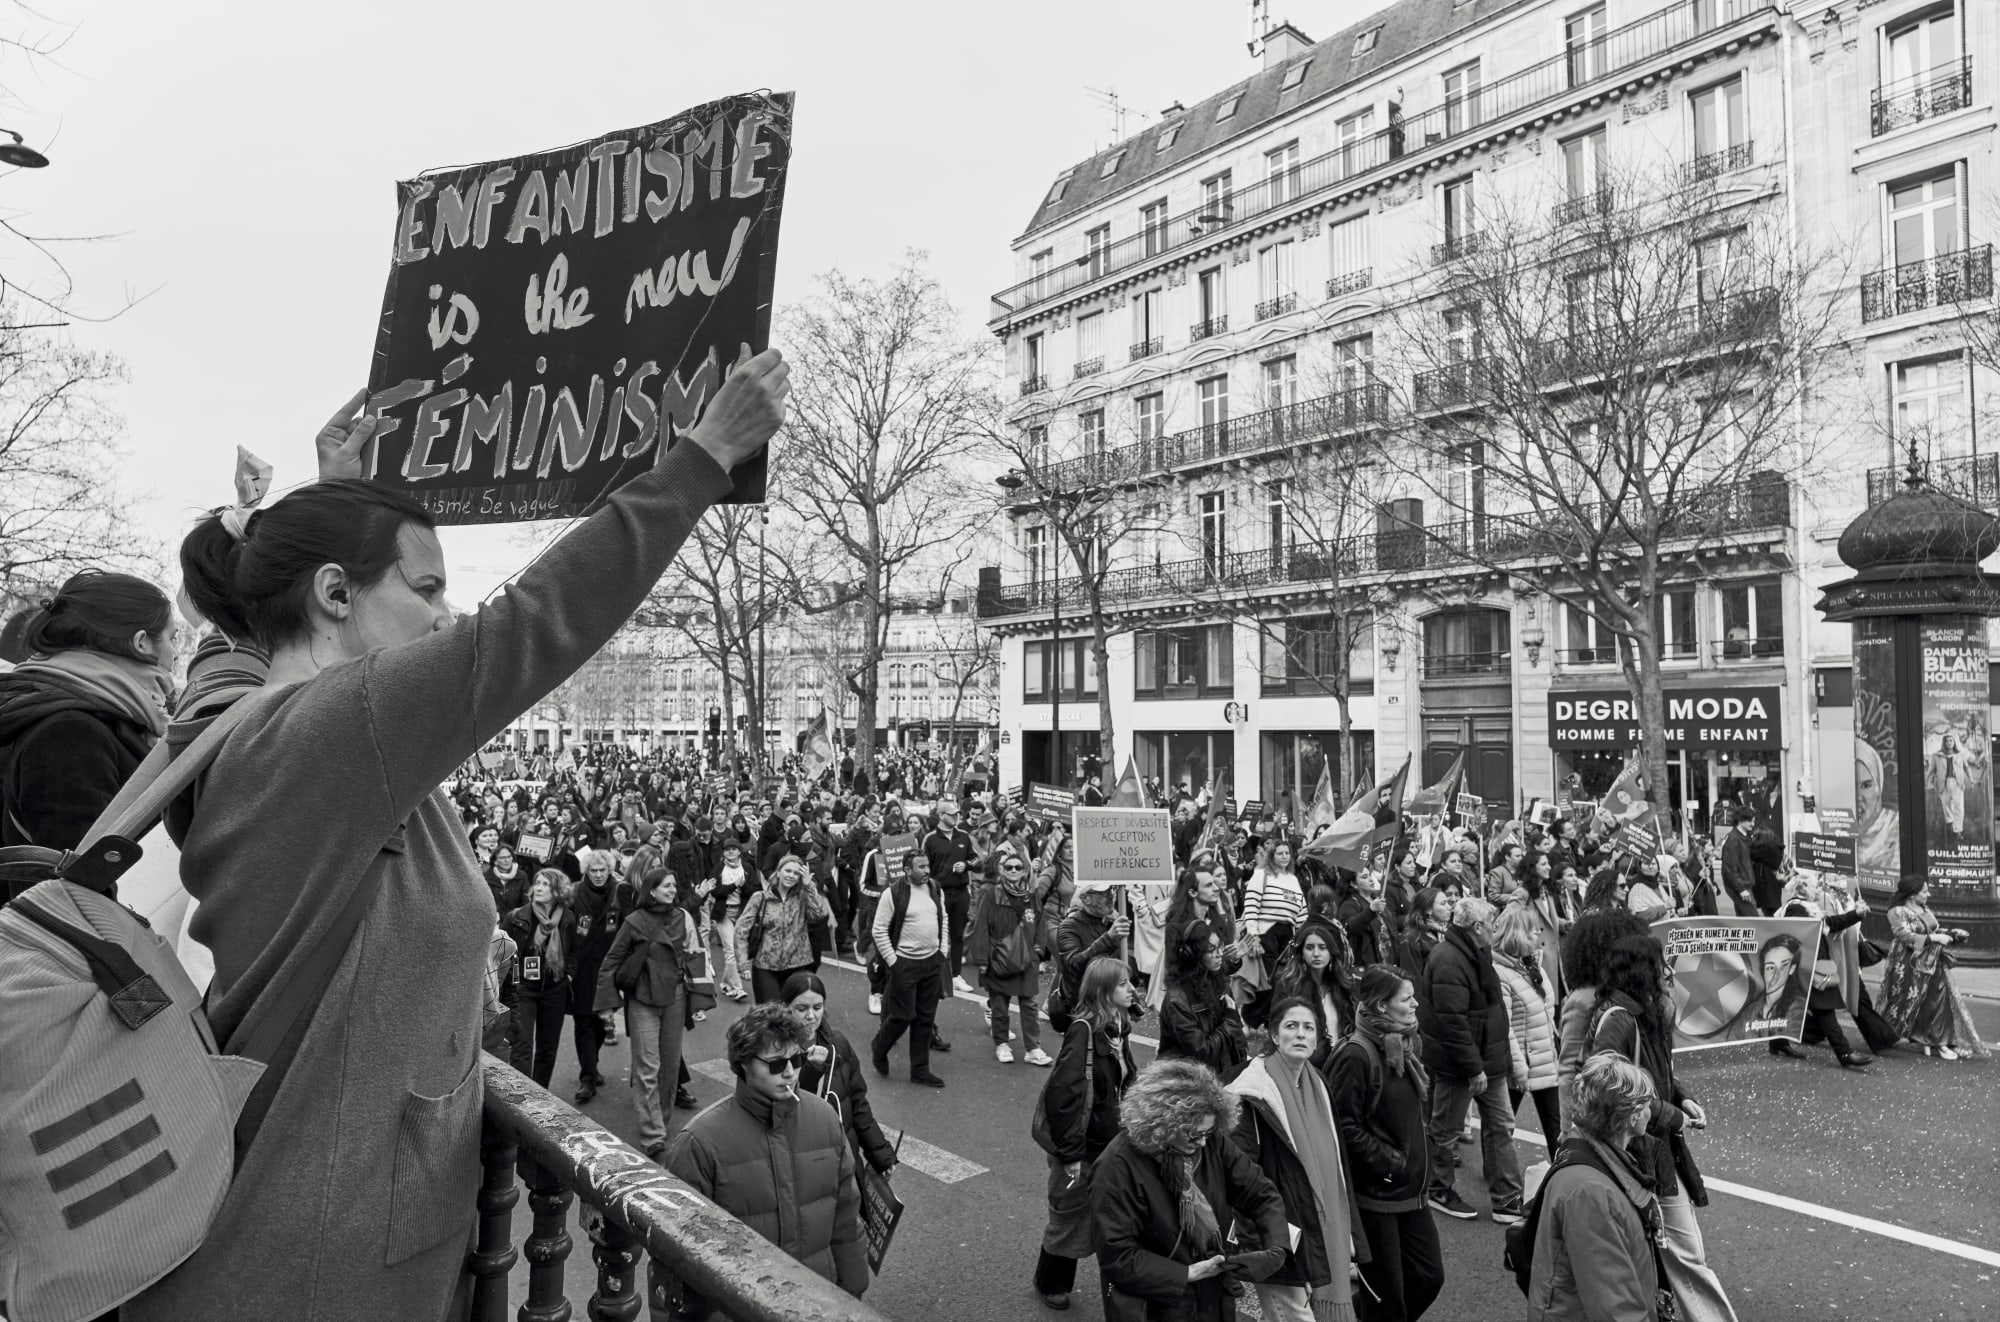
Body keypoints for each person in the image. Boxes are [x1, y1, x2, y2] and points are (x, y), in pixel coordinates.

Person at [129, 356, 785, 1322]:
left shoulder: (290, 734)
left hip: (331, 1223)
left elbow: (267, 630)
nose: (447, 616)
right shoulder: (324, 734)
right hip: (316, 1256)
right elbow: (528, 628)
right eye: (427, 588)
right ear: (336, 596)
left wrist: (328, 499)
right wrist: (704, 458)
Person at [664, 1005, 868, 1301]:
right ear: (744, 1063)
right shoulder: (698, 1143)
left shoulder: (824, 1119)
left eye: (797, 1059)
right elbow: (676, 1256)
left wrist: (853, 1295)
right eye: (775, 1064)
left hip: (819, 1303)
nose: (789, 1072)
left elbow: (846, 1219)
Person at [1583, 935, 1736, 1322]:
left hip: (1652, 1150)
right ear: (1643, 971)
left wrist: (1680, 1096)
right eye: (1661, 963)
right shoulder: (1618, 1019)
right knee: (1686, 1255)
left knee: (1670, 1252)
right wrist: (1671, 1114)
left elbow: (1656, 1074)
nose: (1669, 971)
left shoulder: (1645, 1013)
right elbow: (1610, 1083)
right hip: (1639, 1154)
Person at [1090, 1057, 1292, 1322]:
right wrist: (1187, 1274)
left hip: (1211, 1294)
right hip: (1155, 1305)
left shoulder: (1211, 1141)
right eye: (1193, 1134)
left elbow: (1260, 1193)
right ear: (1161, 1124)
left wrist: (1276, 1248)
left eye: (1208, 1132)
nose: (1202, 1142)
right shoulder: (1115, 1167)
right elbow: (1118, 1257)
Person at [0, 570, 178, 862]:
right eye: (173, 638)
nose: (175, 655)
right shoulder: (69, 735)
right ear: (141, 642)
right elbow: (79, 881)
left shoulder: (84, 717)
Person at [1228, 997, 1366, 1322]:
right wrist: (1269, 1240)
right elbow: (1238, 1175)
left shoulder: (1317, 1084)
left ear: (1318, 1038)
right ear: (1275, 1036)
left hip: (1310, 1228)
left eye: (1308, 1027)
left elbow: (1336, 1168)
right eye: (1291, 1026)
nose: (1300, 1034)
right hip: (1276, 1234)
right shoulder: (1253, 1092)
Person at [1328, 965, 1444, 1322]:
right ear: (1381, 1006)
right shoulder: (1356, 1055)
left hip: (1411, 1190)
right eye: (1406, 999)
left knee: (1428, 1278)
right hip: (1377, 1195)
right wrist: (1391, 1163)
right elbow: (1343, 1127)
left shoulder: (1404, 1041)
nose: (1415, 1006)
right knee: (1386, 1297)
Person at [1033, 956, 1142, 1311]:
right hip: (1085, 1143)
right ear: (1104, 991)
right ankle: (1051, 1282)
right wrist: (1070, 1155)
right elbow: (1063, 1097)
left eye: (1129, 982)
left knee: (1112, 1214)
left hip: (1112, 1141)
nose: (1131, 989)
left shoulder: (1117, 1026)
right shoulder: (1084, 1030)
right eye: (1123, 984)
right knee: (1069, 1214)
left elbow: (1124, 1081)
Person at [1526, 1054, 1668, 1322]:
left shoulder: (1591, 1156)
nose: (1651, 1112)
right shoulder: (1591, 1193)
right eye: (1647, 1105)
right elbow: (1613, 1305)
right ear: (1632, 1115)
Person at [1418, 896, 1521, 1225]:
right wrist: (1473, 1067)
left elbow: (1492, 1010)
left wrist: (1502, 1059)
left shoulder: (1477, 951)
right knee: (1445, 1130)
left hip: (1488, 1057)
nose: (1494, 929)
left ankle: (1507, 1197)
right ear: (1477, 927)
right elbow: (1452, 1021)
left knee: (1501, 1125)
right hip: (1460, 1064)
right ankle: (1438, 1188)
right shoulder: (1448, 959)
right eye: (1491, 924)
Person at [595, 866, 702, 1159]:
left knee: (670, 1067)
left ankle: (661, 1122)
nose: (672, 889)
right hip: (643, 999)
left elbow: (695, 956)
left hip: (676, 997)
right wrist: (606, 1003)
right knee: (647, 1067)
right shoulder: (635, 920)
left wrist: (702, 998)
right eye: (666, 885)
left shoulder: (682, 917)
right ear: (651, 890)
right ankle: (652, 1133)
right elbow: (612, 960)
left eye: (674, 885)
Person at [782, 973, 898, 1180]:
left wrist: (881, 1154)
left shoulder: (838, 1045)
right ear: (786, 1008)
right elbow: (785, 1109)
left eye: (817, 1008)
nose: (811, 1016)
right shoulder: (775, 1053)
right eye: (802, 1009)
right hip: (802, 1165)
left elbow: (857, 1102)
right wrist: (811, 1071)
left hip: (845, 1156)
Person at [1880, 875, 1991, 1060]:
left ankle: (1937, 1041)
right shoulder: (1896, 911)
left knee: (1938, 1000)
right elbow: (1904, 936)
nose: (1928, 894)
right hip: (1909, 964)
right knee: (1909, 1002)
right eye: (1924, 891)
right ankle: (1922, 1039)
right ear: (1912, 895)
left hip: (1932, 961)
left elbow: (1933, 931)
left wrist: (1953, 934)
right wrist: (1934, 938)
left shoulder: (1923, 907)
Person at [965, 844, 1056, 1065]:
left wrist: (1037, 950)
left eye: (1018, 867)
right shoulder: (991, 894)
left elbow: (1041, 924)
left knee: (1029, 1005)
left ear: (1025, 871)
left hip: (1027, 961)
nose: (1013, 870)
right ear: (1002, 870)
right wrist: (982, 960)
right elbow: (981, 927)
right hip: (998, 959)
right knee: (999, 1004)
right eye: (1009, 867)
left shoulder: (1031, 896)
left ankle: (1033, 1049)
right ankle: (1002, 1043)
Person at [871, 848, 951, 1087]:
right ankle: (879, 1046)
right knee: (902, 1015)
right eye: (921, 867)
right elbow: (879, 929)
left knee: (925, 1019)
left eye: (927, 866)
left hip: (932, 963)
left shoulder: (935, 888)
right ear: (907, 870)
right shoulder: (892, 893)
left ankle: (920, 1070)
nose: (926, 871)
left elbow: (943, 919)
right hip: (904, 964)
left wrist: (942, 950)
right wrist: (894, 961)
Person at [1490, 903, 1561, 1142]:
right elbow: (1505, 1026)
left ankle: (1561, 1174)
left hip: (1545, 1059)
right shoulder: (1500, 973)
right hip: (1520, 1063)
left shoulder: (1531, 965)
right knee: (1502, 1128)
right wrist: (1518, 1068)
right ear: (1518, 934)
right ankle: (1498, 1174)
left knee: (1556, 1127)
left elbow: (1545, 1012)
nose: (1538, 934)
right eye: (1533, 930)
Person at [500, 868, 577, 1088]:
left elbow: (574, 951)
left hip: (555, 990)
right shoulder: (517, 917)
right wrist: (513, 982)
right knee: (522, 1046)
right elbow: (502, 952)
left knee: (548, 1046)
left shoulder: (568, 917)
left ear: (558, 891)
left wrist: (569, 975)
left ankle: (542, 1093)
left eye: (546, 884)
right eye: (538, 883)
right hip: (523, 989)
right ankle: (523, 1096)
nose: (540, 888)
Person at [1158, 918, 1248, 1078]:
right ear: (1193, 954)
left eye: (1220, 946)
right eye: (1211, 949)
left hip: (1222, 1076)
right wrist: (1231, 1020)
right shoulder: (1177, 1001)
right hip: (1188, 1085)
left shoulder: (1215, 979)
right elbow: (1202, 1052)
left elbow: (1236, 1040)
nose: (1219, 954)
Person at [736, 852, 831, 1004]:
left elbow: (818, 914)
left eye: (796, 873)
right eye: (787, 871)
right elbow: (741, 931)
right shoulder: (760, 898)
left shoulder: (803, 896)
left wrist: (808, 885)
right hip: (765, 966)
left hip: (798, 965)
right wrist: (742, 963)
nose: (791, 876)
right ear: (778, 872)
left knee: (793, 1014)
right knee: (770, 1014)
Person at [568, 851, 624, 1103]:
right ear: (586, 872)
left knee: (602, 1022)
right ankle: (587, 1077)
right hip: (581, 967)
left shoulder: (620, 892)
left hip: (608, 968)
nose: (598, 875)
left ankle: (593, 1063)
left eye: (602, 870)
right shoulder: (574, 892)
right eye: (593, 871)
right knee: (583, 1022)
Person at [1269, 918, 1356, 1070]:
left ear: (1331, 952)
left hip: (1340, 1064)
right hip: (1302, 1065)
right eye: (1310, 947)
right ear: (1302, 952)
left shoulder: (1343, 986)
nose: (1316, 953)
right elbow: (1278, 1027)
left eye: (1322, 947)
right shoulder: (1290, 985)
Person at [1051, 879, 1129, 1028]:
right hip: (1085, 1009)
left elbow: (1117, 966)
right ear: (1085, 898)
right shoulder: (1068, 926)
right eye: (1103, 893)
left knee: (1117, 1048)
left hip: (1110, 1004)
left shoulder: (1110, 922)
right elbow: (1074, 965)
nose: (1110, 896)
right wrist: (1108, 938)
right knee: (1087, 1049)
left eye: (1111, 890)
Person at [924, 799, 979, 993]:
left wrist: (966, 865)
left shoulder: (963, 836)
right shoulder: (930, 839)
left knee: (957, 935)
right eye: (951, 814)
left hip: (961, 891)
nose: (956, 817)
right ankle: (936, 974)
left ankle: (956, 975)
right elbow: (923, 866)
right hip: (939, 893)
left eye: (957, 814)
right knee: (937, 934)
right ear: (941, 816)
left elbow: (975, 858)